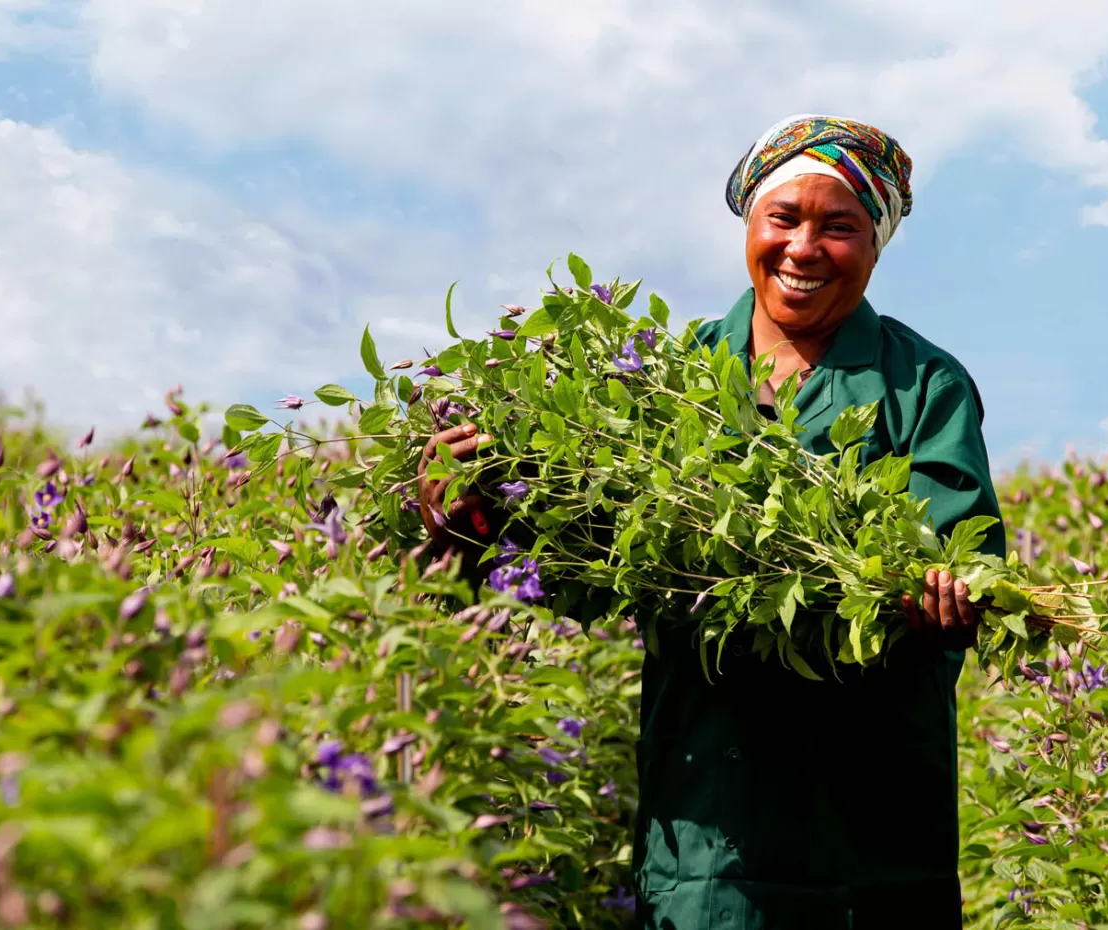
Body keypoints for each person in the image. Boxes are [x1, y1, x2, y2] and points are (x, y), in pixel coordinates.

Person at [418, 114, 1005, 929]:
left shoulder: (923, 384)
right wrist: (465, 522)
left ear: (876, 246)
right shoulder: (667, 379)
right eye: (784, 219)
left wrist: (942, 599)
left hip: (870, 809)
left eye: (839, 227)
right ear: (749, 226)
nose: (803, 248)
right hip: (709, 813)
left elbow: (957, 552)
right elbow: (564, 569)